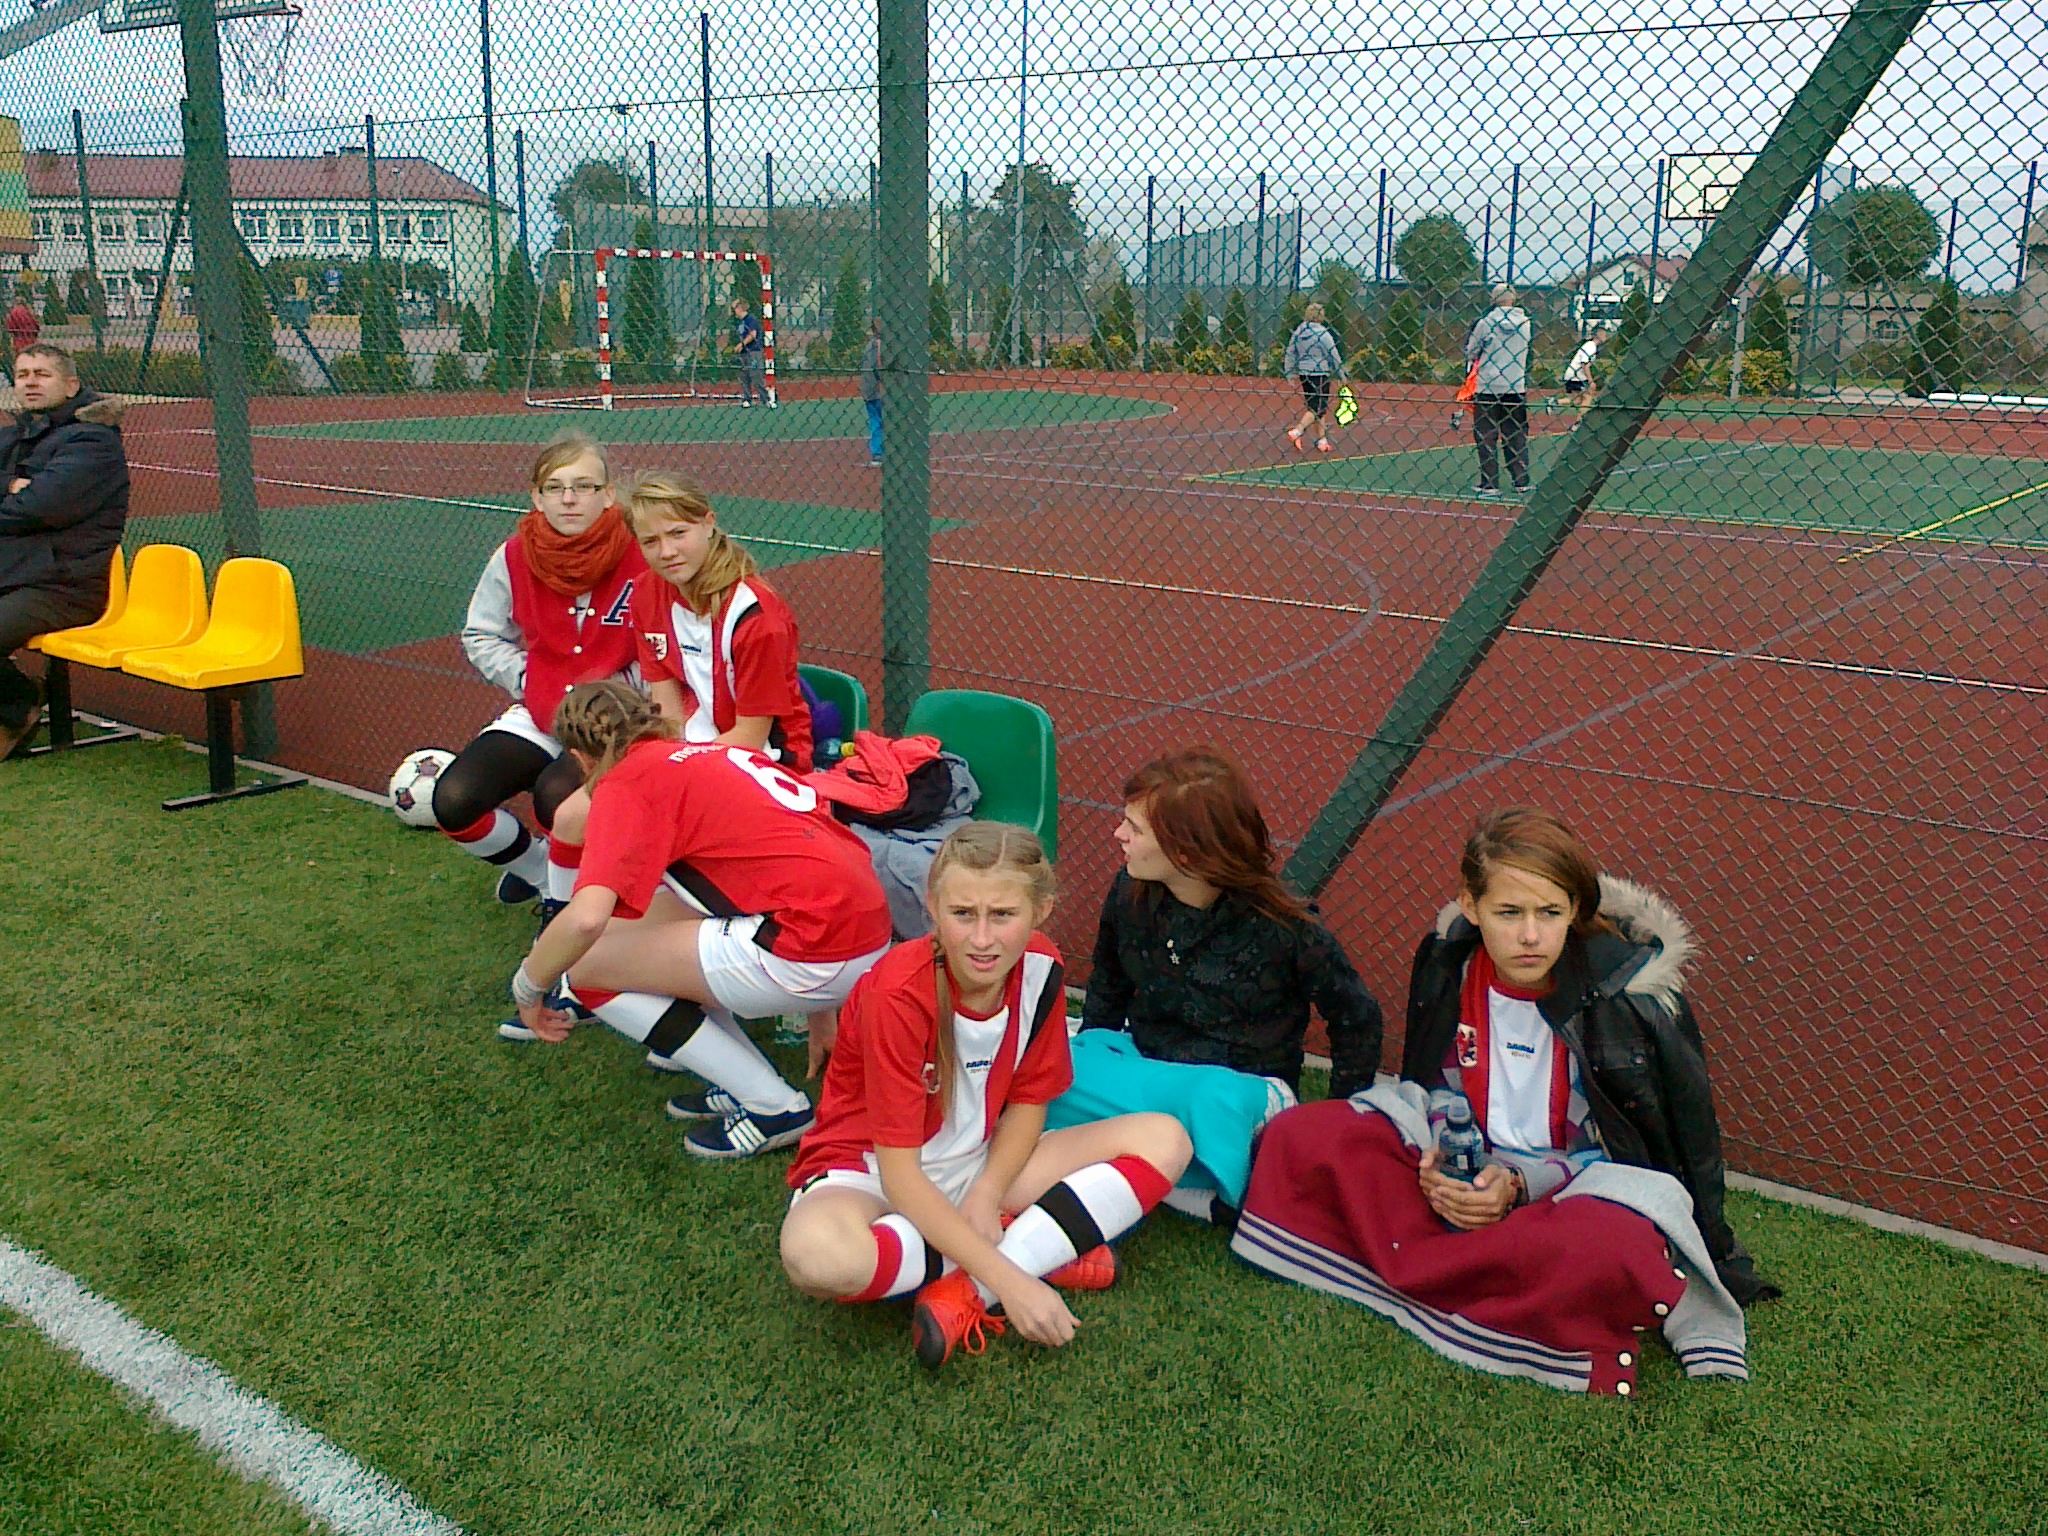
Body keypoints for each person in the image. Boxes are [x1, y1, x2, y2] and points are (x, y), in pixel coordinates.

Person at [1232, 807, 1779, 1396]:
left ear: (1575, 909)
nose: (1530, 936)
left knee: (1614, 1241)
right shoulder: (1449, 963)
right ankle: (1490, 1277)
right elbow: (1435, 1085)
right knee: (1305, 1135)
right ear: (1471, 906)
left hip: (1571, 1192)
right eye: (1509, 913)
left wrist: (1519, 1185)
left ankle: (1425, 1262)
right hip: (1470, 1167)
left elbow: (1656, 1148)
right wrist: (1442, 1162)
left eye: (1550, 913)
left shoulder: (1626, 998)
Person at [778, 822, 1192, 1367]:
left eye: (1002, 915)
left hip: (980, 1162)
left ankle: (969, 1289)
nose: (980, 938)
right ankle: (1038, 1246)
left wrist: (988, 1193)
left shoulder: (1041, 967)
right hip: (873, 1173)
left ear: (1040, 910)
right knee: (818, 1257)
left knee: (1166, 1139)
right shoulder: (896, 993)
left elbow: (1029, 1102)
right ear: (932, 907)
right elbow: (900, 1176)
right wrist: (1015, 1283)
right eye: (962, 913)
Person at [508, 680, 894, 1159]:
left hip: (815, 949)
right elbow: (802, 866)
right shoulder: (713, 754)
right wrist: (823, 1013)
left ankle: (774, 1107)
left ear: (579, 757)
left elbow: (585, 920)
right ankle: (743, 1080)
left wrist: (528, 987)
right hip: (861, 929)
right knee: (637, 926)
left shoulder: (626, 783)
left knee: (586, 969)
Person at [512, 470, 815, 1049]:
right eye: (650, 541)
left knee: (644, 844)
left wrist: (667, 782)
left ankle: (605, 964)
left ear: (709, 524)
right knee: (570, 815)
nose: (667, 551)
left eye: (678, 533)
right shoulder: (650, 593)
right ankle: (568, 944)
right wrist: (650, 767)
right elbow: (665, 707)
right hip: (689, 750)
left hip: (759, 765)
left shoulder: (758, 615)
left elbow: (750, 738)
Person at [1047, 748, 1383, 1224]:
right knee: (1046, 1065)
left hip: (1238, 1089)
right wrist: (1091, 1056)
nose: (1118, 834)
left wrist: (1336, 1119)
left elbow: (1357, 1017)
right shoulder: (1130, 892)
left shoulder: (1285, 928)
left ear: (1185, 851)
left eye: (1134, 828)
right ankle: (1182, 1184)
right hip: (1145, 1067)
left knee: (1210, 1101)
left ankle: (1123, 1159)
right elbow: (1108, 983)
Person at [431, 432, 645, 909]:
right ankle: (543, 874)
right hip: (543, 708)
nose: (569, 498)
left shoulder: (643, 552)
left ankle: (572, 908)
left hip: (618, 720)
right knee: (455, 800)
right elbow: (481, 635)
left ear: (608, 494)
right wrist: (529, 679)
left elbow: (668, 648)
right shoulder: (514, 555)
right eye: (555, 487)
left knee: (558, 798)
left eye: (584, 486)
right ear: (537, 496)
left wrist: (623, 695)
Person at [0, 344, 126, 760]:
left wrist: (21, 496)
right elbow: (22, 504)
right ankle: (18, 697)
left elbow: (41, 506)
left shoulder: (93, 441)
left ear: (71, 385)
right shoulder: (20, 433)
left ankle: (17, 707)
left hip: (62, 586)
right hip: (15, 571)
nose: (30, 382)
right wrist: (9, 486)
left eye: (42, 374)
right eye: (23, 375)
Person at [1463, 284, 1532, 496]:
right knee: (1516, 432)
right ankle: (1520, 480)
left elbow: (1471, 351)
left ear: (1493, 300)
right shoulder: (1526, 323)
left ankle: (1490, 482)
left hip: (1488, 385)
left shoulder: (1485, 323)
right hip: (1515, 384)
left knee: (1486, 434)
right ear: (1514, 299)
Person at [1281, 302, 1344, 453]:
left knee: (1316, 406)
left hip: (1305, 373)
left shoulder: (1299, 332)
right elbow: (1333, 354)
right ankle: (1297, 431)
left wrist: (1290, 372)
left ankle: (1322, 440)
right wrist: (1341, 374)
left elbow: (1291, 352)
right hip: (1320, 373)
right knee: (1318, 407)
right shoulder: (1323, 334)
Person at [731, 296, 766, 408]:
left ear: (740, 307)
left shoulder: (750, 319)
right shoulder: (740, 322)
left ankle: (765, 399)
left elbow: (753, 334)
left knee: (756, 376)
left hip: (753, 351)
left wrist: (741, 344)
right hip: (744, 353)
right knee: (744, 376)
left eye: (735, 308)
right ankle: (747, 398)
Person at [860, 319, 882, 466]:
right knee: (881, 420)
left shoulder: (869, 345)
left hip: (869, 389)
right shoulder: (877, 345)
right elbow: (878, 366)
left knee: (876, 421)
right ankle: (879, 452)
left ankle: (877, 452)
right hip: (877, 389)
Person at [1562, 329, 1603, 409]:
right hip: (1576, 377)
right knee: (1587, 397)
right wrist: (1591, 381)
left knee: (1577, 400)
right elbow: (1585, 364)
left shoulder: (1591, 346)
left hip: (1576, 376)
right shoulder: (1591, 346)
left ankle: (1554, 402)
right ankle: (1582, 417)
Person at [6, 291, 40, 359]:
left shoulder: (14, 311)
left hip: (19, 338)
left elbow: (11, 326)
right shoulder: (29, 311)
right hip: (30, 337)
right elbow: (35, 325)